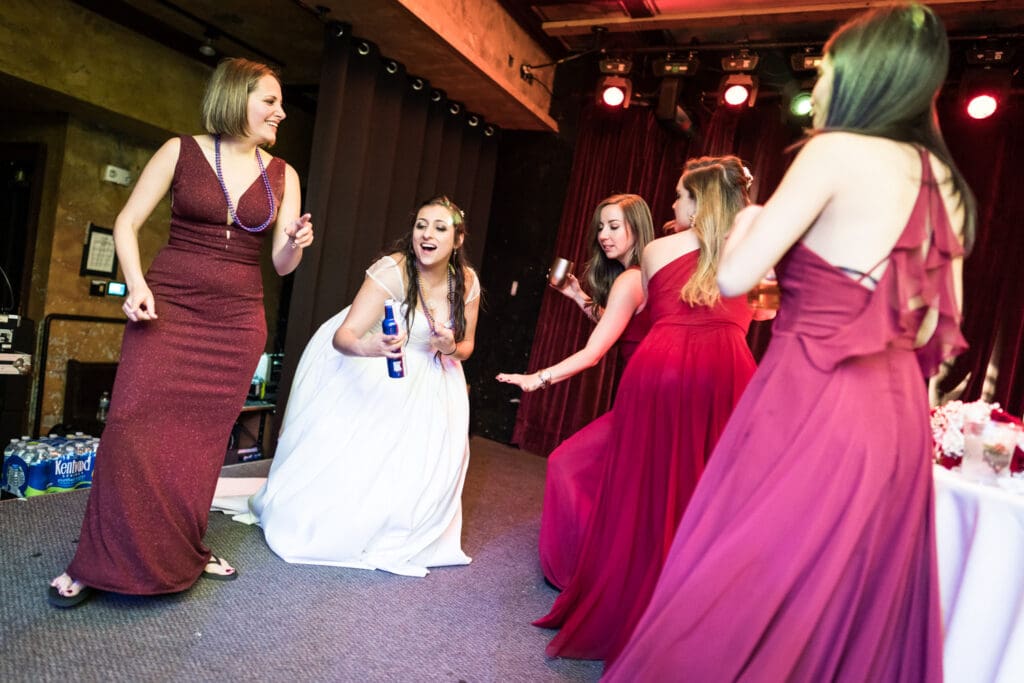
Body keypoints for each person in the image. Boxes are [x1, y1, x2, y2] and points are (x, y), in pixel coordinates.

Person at [606, 4, 973, 680]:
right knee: (845, 598)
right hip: (894, 415)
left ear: (862, 77)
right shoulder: (944, 181)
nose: (820, 80)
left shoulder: (834, 152)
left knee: (746, 574)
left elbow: (737, 275)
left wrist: (749, 219)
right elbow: (927, 327)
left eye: (828, 67)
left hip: (814, 391)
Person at [48, 58, 314, 608]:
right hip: (168, 308)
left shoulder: (284, 174)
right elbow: (126, 222)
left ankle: (186, 551)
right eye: (270, 100)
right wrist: (135, 284)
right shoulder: (180, 150)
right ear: (237, 97)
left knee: (200, 445)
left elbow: (283, 264)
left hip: (237, 323)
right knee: (128, 427)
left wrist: (295, 241)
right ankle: (93, 561)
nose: (280, 112)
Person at [534, 156, 759, 660]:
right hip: (725, 369)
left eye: (681, 196)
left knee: (644, 493)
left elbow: (662, 309)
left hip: (659, 369)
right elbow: (764, 307)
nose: (673, 205)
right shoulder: (753, 249)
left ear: (700, 201)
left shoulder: (656, 251)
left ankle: (629, 600)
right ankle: (697, 617)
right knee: (711, 495)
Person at [241, 196, 479, 577]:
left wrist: (449, 346)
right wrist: (371, 346)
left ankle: (403, 527)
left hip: (434, 380)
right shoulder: (394, 271)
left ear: (458, 238)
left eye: (439, 227)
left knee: (420, 466)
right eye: (421, 225)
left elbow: (467, 347)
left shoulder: (465, 282)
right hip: (378, 369)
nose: (427, 234)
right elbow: (344, 336)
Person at [496, 194, 656, 590]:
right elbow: (616, 323)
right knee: (615, 487)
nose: (603, 235)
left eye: (614, 226)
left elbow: (593, 352)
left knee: (568, 465)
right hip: (641, 396)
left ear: (637, 227)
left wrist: (539, 378)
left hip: (646, 401)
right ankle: (598, 568)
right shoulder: (638, 276)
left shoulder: (632, 278)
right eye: (600, 226)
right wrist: (577, 296)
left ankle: (579, 573)